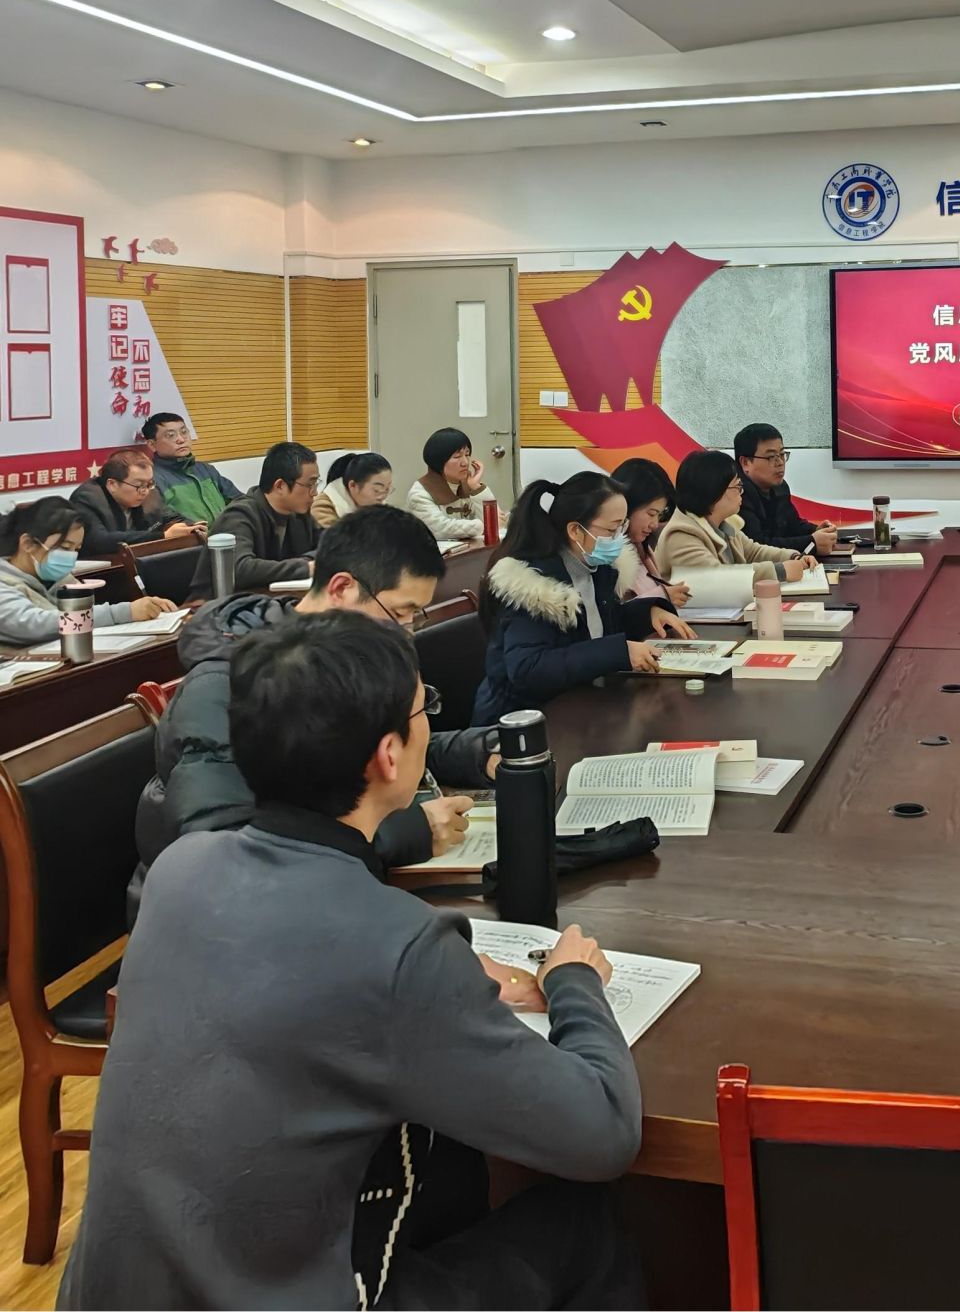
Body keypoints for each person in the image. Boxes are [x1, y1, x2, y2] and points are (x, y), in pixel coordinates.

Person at [61, 610, 643, 1309]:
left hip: (118, 1293)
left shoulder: (180, 871)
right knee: (584, 1224)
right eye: (424, 709)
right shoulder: (396, 949)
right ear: (389, 756)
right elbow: (604, 1132)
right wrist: (574, 981)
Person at [132, 504, 497, 922]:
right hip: (220, 922)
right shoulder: (222, 687)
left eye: (414, 616)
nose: (406, 633)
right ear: (342, 588)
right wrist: (408, 832)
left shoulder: (338, 658)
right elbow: (227, 852)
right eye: (399, 614)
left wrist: (477, 753)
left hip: (316, 891)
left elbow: (371, 749)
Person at [475, 473, 690, 724]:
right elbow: (529, 669)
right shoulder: (535, 585)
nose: (619, 539)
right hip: (521, 723)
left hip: (579, 706)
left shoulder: (594, 568)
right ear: (576, 530)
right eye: (611, 530)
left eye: (622, 527)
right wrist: (619, 651)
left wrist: (648, 612)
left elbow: (597, 626)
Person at [0, 499, 178, 646]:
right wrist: (125, 612)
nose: (70, 556)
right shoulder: (4, 583)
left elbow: (85, 614)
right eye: (64, 547)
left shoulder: (59, 578)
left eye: (76, 549)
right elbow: (35, 625)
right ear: (27, 544)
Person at [655, 450, 821, 584]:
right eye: (737, 486)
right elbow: (717, 579)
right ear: (714, 491)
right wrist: (779, 571)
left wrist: (793, 556)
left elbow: (753, 552)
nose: (741, 492)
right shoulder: (681, 535)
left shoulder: (723, 524)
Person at [185, 440, 320, 601]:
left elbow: (330, 548)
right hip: (213, 607)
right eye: (310, 484)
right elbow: (240, 569)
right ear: (280, 486)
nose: (315, 492)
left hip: (268, 602)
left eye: (316, 483)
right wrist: (305, 567)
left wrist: (310, 563)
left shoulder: (299, 514)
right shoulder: (239, 515)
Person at [67, 447, 203, 553]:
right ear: (112, 484)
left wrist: (192, 527)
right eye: (139, 485)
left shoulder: (149, 492)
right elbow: (100, 540)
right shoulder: (87, 498)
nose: (145, 491)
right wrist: (162, 536)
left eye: (149, 483)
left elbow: (171, 518)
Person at [734, 422, 836, 554]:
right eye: (771, 457)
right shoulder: (736, 493)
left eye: (782, 454)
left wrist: (816, 530)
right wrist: (812, 541)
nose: (780, 463)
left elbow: (792, 525)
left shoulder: (780, 487)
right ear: (745, 463)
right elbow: (757, 546)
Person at [610, 456, 694, 609]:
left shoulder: (642, 548)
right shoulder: (606, 553)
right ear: (627, 505)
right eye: (651, 513)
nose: (655, 524)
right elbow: (612, 613)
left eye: (659, 515)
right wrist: (663, 596)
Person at [139, 411, 240, 527]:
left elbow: (238, 500)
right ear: (152, 445)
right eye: (171, 435)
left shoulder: (205, 469)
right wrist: (195, 530)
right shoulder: (151, 479)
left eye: (184, 432)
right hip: (191, 537)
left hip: (229, 535)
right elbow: (163, 519)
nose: (181, 439)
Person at [406, 426, 496, 542]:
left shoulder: (467, 485)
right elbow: (440, 529)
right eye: (457, 457)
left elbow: (496, 523)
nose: (465, 463)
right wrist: (481, 526)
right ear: (438, 460)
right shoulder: (419, 494)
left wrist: (476, 487)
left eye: (467, 455)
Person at [312, 449, 394, 528]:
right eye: (377, 490)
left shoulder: (379, 506)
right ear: (353, 485)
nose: (383, 497)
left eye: (387, 489)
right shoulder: (322, 507)